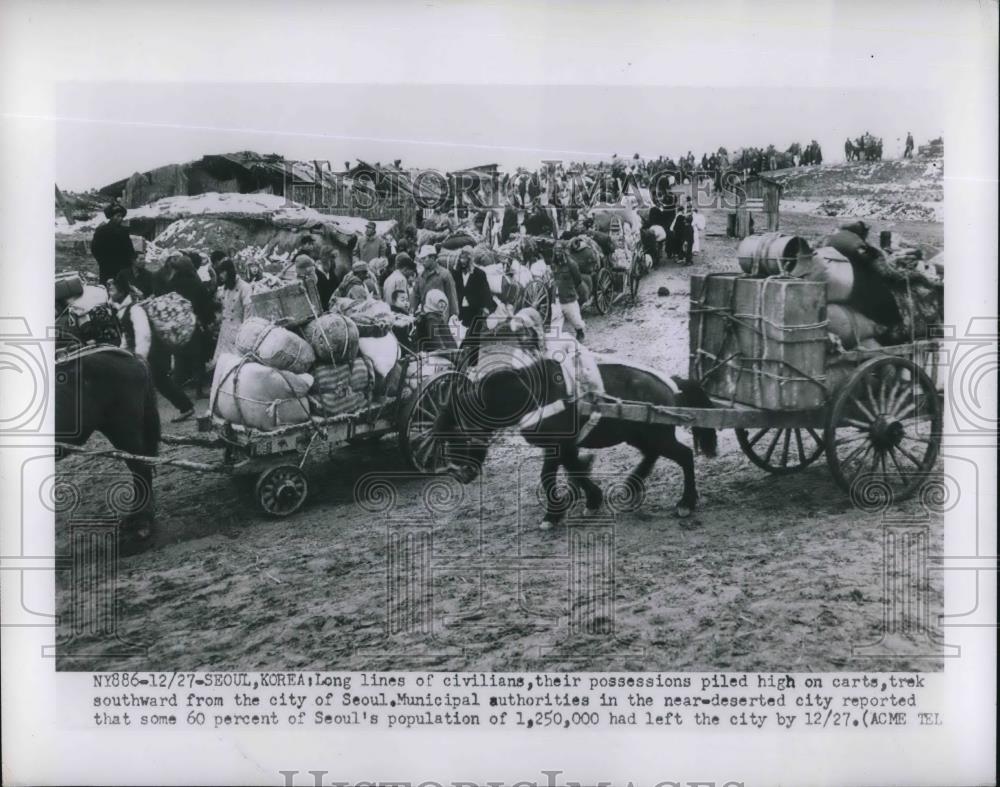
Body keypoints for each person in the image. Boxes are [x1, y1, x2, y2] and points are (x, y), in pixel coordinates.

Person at [110, 268, 195, 422]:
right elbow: (127, 336)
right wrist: (122, 352)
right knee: (159, 382)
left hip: (153, 353)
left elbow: (143, 335)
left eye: (113, 290)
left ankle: (181, 408)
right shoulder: (124, 310)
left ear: (122, 292)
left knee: (156, 382)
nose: (110, 293)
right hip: (149, 353)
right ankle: (184, 407)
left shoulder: (134, 309)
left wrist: (140, 358)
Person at [212, 258, 253, 366]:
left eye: (223, 272)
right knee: (222, 364)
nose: (220, 275)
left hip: (238, 331)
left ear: (229, 271)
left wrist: (244, 333)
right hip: (225, 331)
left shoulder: (245, 287)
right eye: (219, 273)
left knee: (236, 364)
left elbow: (248, 312)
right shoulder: (224, 288)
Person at [90, 201, 136, 284]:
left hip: (124, 267)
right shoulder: (101, 231)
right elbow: (95, 249)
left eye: (121, 216)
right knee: (108, 288)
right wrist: (103, 262)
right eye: (118, 216)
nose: (120, 218)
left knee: (124, 288)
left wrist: (131, 262)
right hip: (107, 268)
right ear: (111, 217)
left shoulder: (124, 231)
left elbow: (130, 248)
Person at [550, 243, 586, 341]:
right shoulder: (554, 264)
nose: (557, 254)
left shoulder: (571, 264)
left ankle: (580, 332)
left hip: (568, 297)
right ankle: (555, 339)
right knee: (555, 320)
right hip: (556, 298)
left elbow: (578, 279)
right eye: (556, 251)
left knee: (575, 319)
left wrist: (570, 288)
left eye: (559, 251)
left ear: (564, 251)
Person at [411, 245, 458, 319]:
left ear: (432, 258)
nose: (422, 261)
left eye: (424, 258)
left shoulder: (445, 275)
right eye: (421, 259)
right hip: (425, 318)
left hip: (441, 318)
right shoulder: (420, 277)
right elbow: (415, 296)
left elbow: (451, 296)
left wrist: (454, 315)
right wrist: (412, 313)